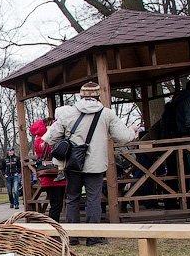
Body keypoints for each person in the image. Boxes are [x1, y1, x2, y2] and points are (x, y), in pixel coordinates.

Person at [44, 82, 138, 245]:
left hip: (73, 164)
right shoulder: (107, 114)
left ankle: (72, 237)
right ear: (97, 96)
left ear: (81, 96)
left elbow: (50, 138)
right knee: (93, 199)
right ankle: (93, 237)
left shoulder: (68, 113)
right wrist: (132, 131)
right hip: (96, 164)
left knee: (72, 198)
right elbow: (123, 137)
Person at [30, 119, 67, 222]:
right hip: (56, 175)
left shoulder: (38, 139)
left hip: (45, 176)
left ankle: (51, 225)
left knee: (54, 203)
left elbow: (39, 154)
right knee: (57, 204)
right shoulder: (52, 137)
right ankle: (53, 227)